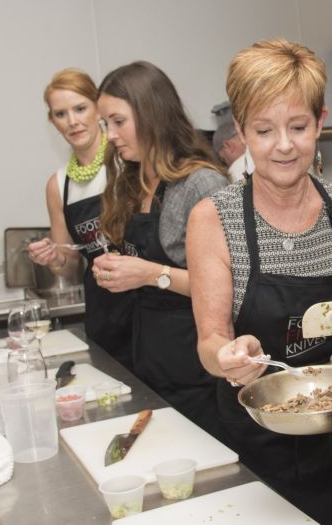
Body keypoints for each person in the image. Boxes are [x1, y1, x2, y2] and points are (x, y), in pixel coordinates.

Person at [187, 39, 332, 525]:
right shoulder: (214, 218)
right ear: (242, 131)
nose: (284, 145)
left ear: (320, 121)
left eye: (298, 126)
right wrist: (229, 358)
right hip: (255, 441)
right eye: (264, 130)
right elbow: (211, 340)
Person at [94, 61, 228, 437]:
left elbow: (231, 288)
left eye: (118, 122)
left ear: (151, 113)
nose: (110, 135)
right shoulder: (135, 182)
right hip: (151, 360)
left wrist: (150, 274)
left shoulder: (202, 185)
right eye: (106, 124)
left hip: (197, 371)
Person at [26, 68, 134, 369]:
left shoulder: (128, 160)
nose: (72, 121)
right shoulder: (58, 185)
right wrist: (52, 259)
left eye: (80, 108)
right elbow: (70, 267)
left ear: (98, 106)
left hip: (146, 307)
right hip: (104, 315)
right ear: (52, 121)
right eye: (61, 114)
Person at [212, 114, 254, 183]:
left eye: (223, 159)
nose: (227, 164)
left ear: (228, 145)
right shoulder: (263, 151)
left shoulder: (235, 170)